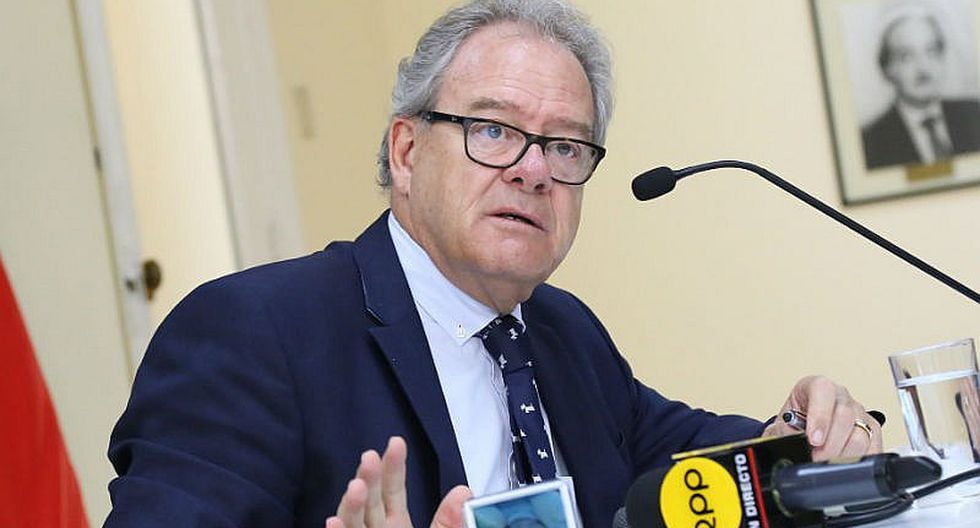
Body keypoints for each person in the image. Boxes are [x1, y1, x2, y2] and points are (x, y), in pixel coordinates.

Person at [104, 2, 882, 527]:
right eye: (494, 132)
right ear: (407, 151)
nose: (533, 170)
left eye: (565, 146)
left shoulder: (560, 330)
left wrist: (806, 434)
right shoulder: (254, 332)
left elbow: (686, 454)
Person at [862, 8, 980, 169]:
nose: (923, 68)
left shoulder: (974, 114)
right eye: (906, 56)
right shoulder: (870, 142)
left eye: (931, 52)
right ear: (887, 68)